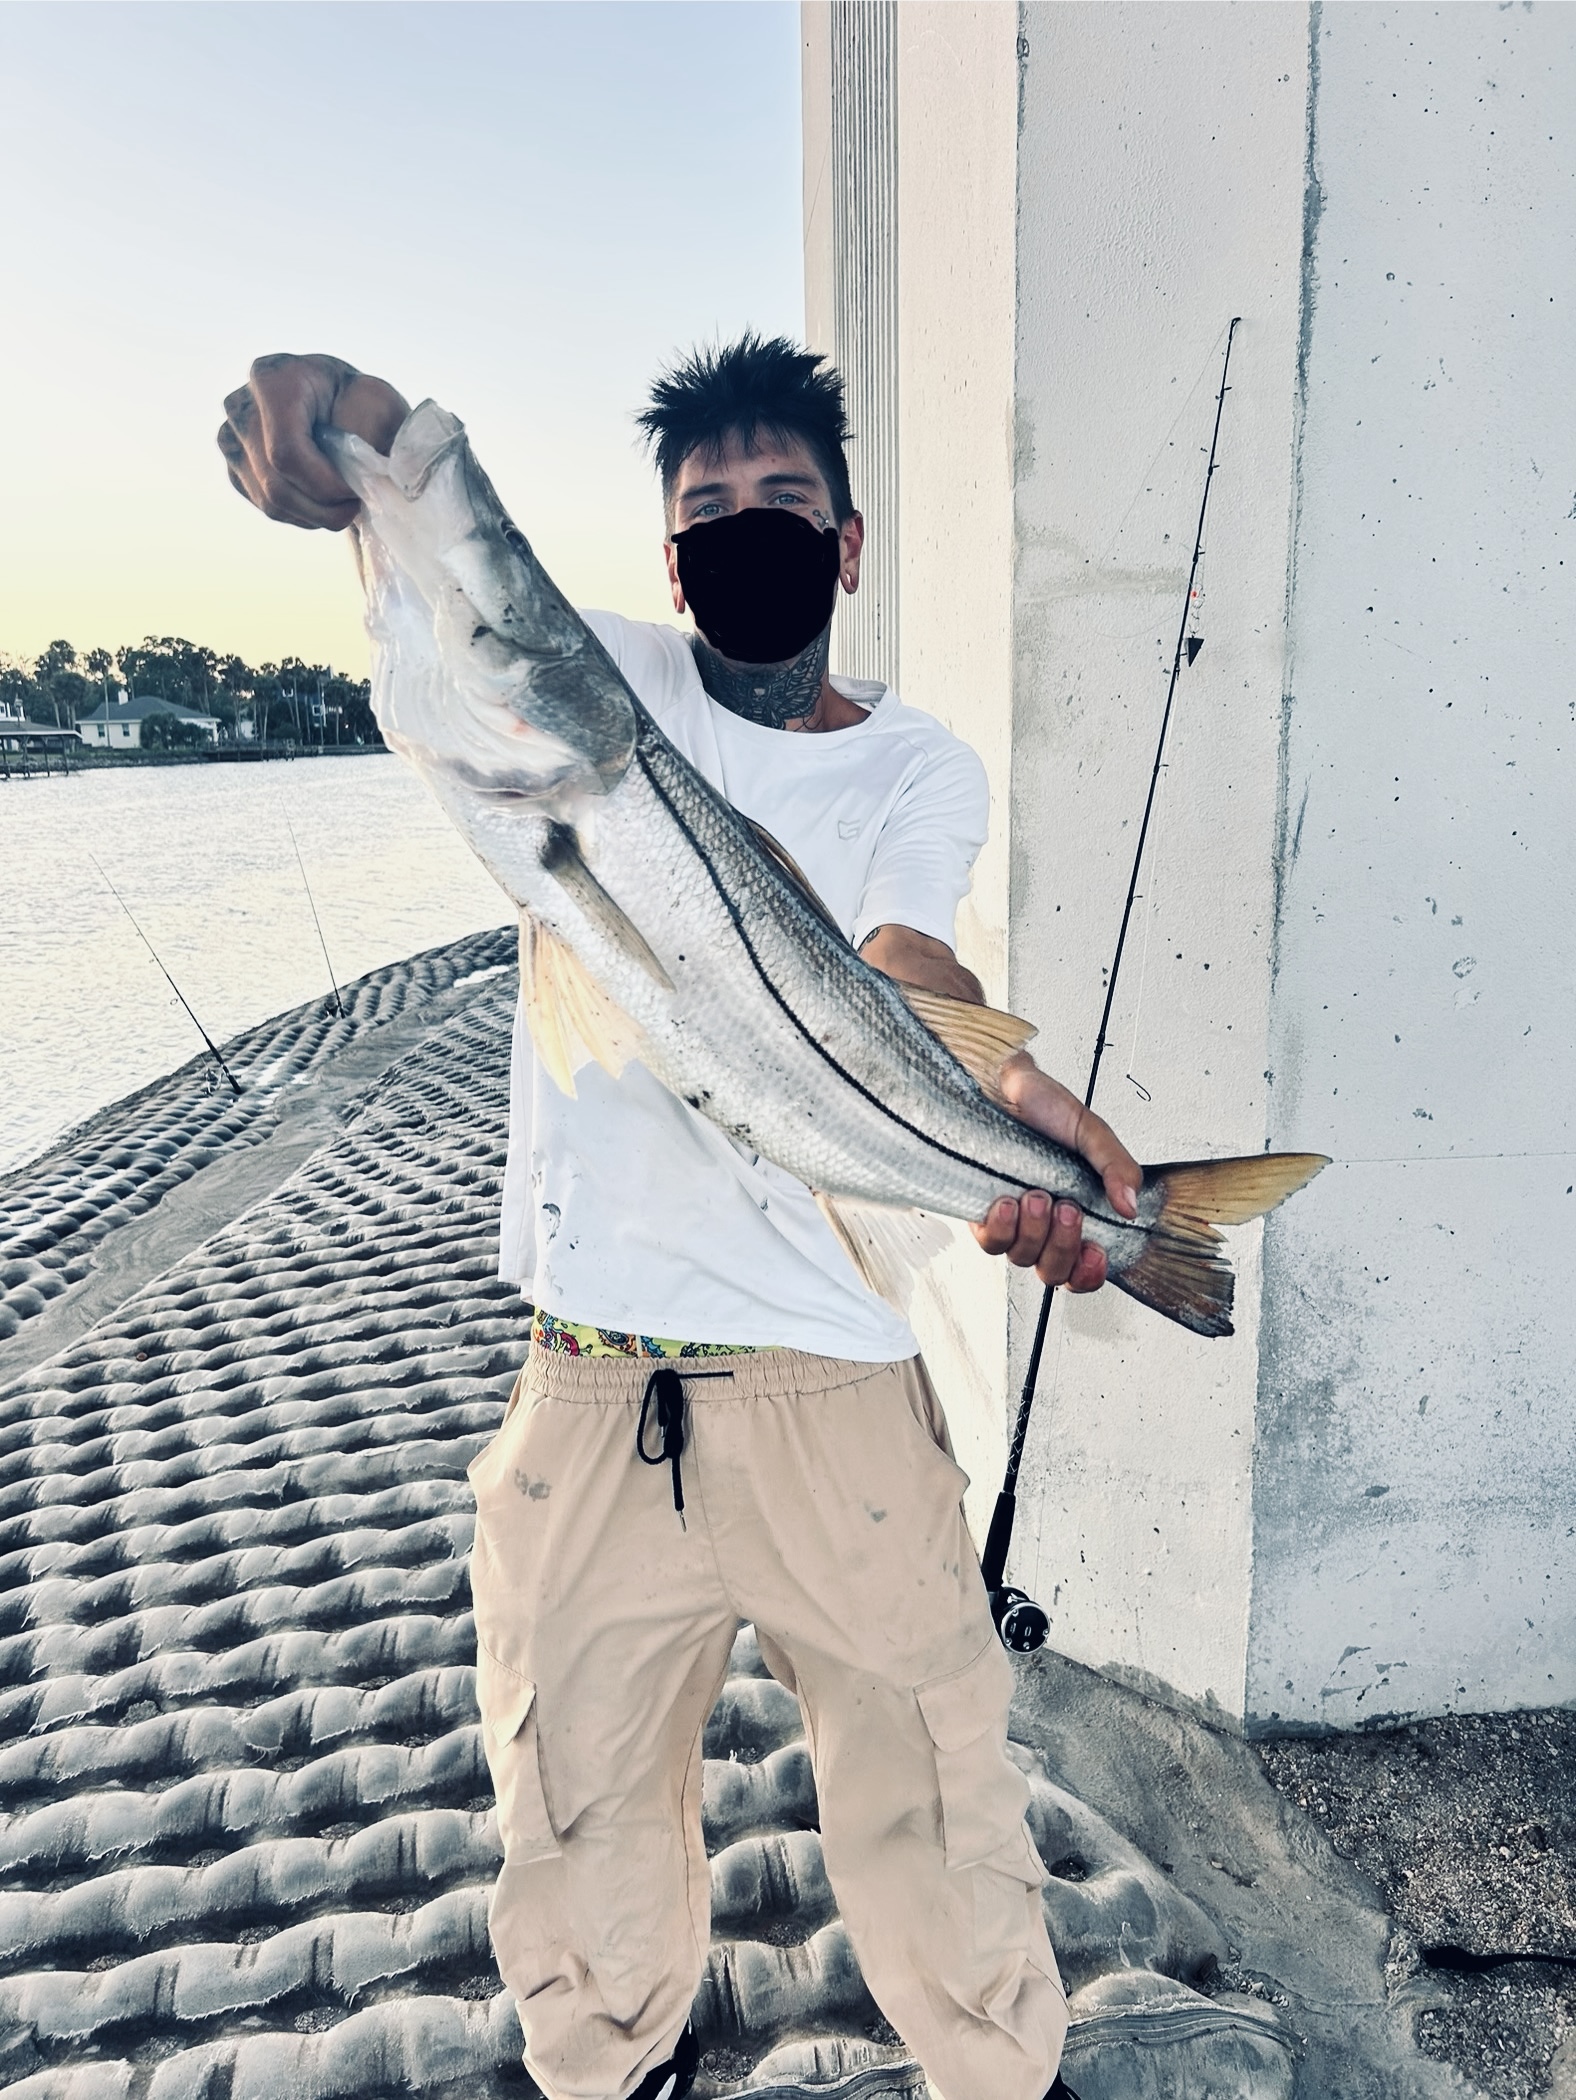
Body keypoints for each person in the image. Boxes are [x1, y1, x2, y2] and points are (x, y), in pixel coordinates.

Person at [218, 339, 1139, 2100]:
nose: (746, 531)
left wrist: (1009, 1108)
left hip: (835, 1383)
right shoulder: (612, 686)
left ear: (847, 544)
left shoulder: (918, 764)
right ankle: (619, 2072)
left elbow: (905, 956)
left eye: (784, 502)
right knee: (572, 1818)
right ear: (666, 557)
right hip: (588, 1383)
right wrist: (345, 421)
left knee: (942, 1801)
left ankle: (1001, 2077)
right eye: (708, 509)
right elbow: (469, 583)